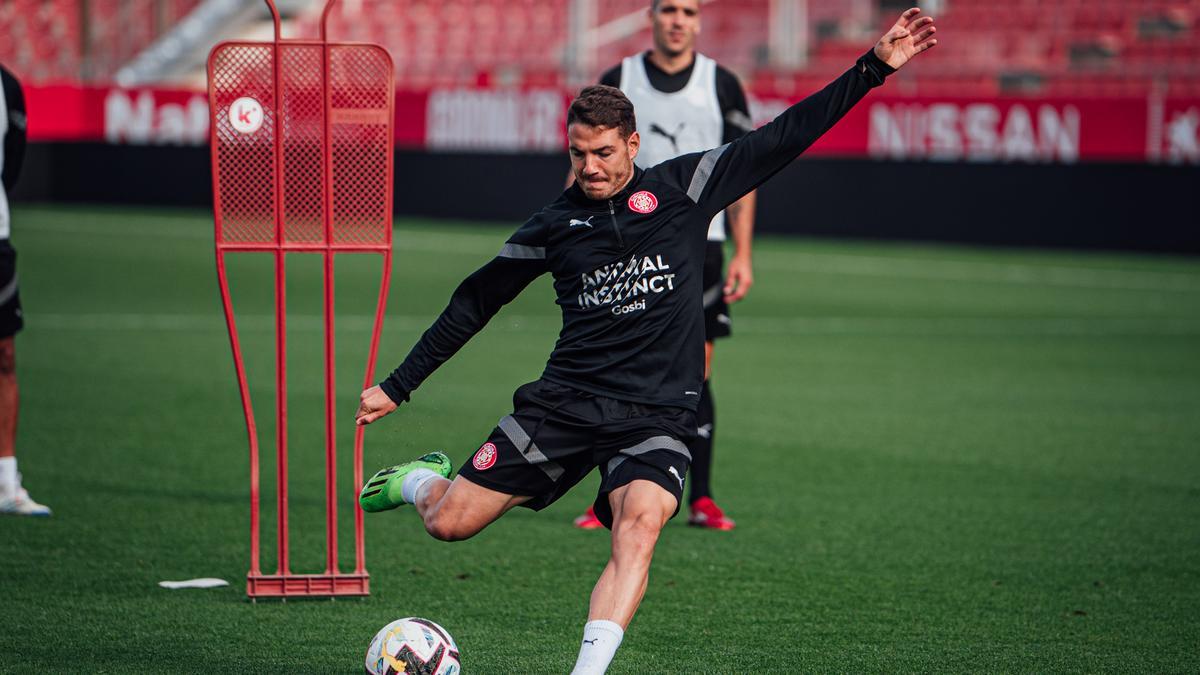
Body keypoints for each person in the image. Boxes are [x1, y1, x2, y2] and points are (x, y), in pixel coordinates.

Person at [355, 10, 937, 673]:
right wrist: (399, 384)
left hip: (657, 415)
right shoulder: (553, 225)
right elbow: (475, 300)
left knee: (639, 526)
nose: (591, 167)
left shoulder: (685, 189)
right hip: (565, 404)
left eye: (604, 153)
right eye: (578, 153)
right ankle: (417, 479)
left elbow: (784, 138)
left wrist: (874, 67)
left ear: (633, 145)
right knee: (449, 522)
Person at [572, 0, 755, 532]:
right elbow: (586, 165)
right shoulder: (619, 78)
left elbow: (744, 173)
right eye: (669, 8)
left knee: (695, 370)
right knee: (611, 364)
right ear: (650, 15)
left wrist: (744, 251)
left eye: (689, 11)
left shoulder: (721, 84)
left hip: (702, 247)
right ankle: (605, 497)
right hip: (623, 244)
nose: (678, 20)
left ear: (698, 22)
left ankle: (701, 497)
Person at [0, 64, 48, 517]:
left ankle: (5, 482)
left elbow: (11, 161)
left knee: (5, 356)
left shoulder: (8, 85)